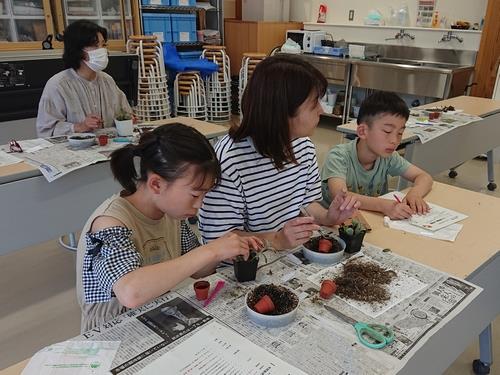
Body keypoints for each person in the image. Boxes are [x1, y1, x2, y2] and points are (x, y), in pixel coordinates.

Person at [76, 124, 262, 332]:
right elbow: (130, 293)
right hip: (113, 331)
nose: (199, 205)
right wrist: (211, 250)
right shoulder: (109, 222)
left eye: (204, 195)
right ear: (156, 184)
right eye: (194, 195)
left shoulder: (172, 214)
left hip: (155, 317)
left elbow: (198, 270)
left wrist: (223, 251)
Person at [199, 55, 359, 250]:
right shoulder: (229, 161)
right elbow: (219, 238)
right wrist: (276, 239)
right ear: (282, 111)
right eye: (314, 103)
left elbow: (308, 203)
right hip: (245, 264)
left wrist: (328, 216)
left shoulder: (303, 146)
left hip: (286, 254)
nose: (321, 110)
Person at [321, 91, 433, 220]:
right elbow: (341, 197)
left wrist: (415, 194)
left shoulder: (389, 157)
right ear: (363, 131)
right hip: (334, 225)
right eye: (387, 131)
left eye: (400, 133)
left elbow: (424, 177)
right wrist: (383, 206)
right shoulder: (339, 156)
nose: (395, 140)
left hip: (369, 220)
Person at [36, 20, 132, 138]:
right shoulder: (58, 85)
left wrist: (128, 120)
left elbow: (124, 113)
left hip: (108, 147)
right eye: (95, 45)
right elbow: (46, 131)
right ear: (78, 50)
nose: (102, 50)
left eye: (103, 45)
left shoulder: (108, 81)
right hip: (73, 152)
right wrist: (80, 127)